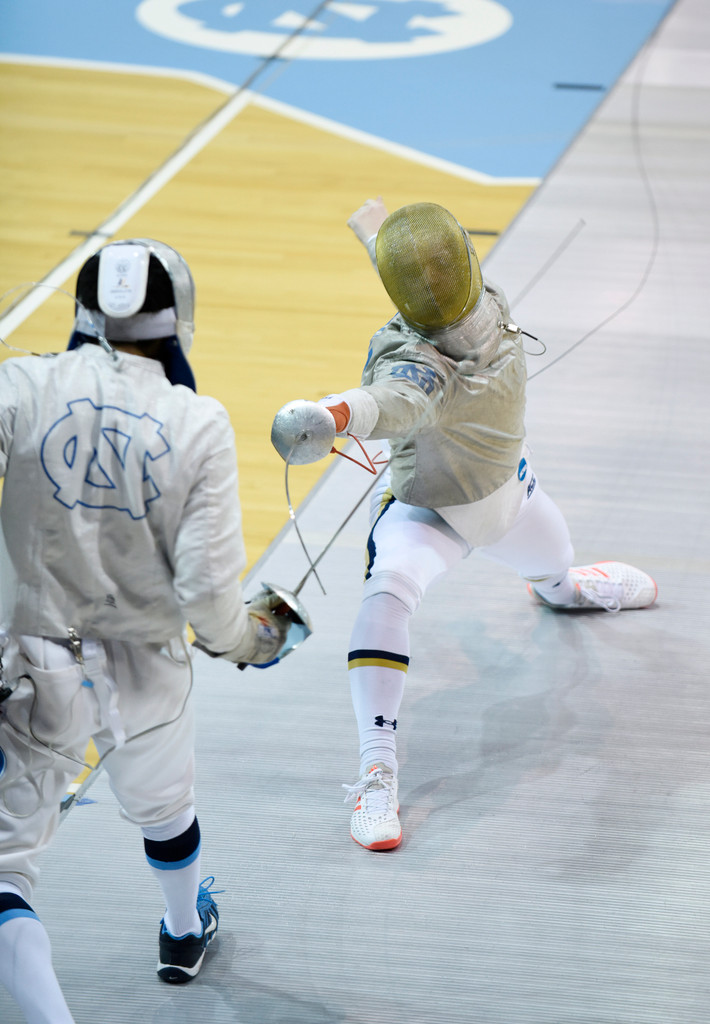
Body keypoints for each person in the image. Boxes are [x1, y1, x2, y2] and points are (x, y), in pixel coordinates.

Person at [274, 198, 657, 853]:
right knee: (387, 595)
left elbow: (428, 282)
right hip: (430, 516)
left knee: (556, 563)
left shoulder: (480, 300)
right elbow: (386, 402)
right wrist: (332, 415)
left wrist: (378, 238)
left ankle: (564, 590)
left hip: (509, 495)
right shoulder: (418, 364)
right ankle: (376, 771)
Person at [0, 239, 299, 1023]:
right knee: (164, 808)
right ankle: (180, 927)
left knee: (5, 873)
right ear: (179, 323)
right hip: (144, 667)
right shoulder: (197, 421)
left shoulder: (23, 383)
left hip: (28, 657)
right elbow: (208, 597)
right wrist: (254, 641)